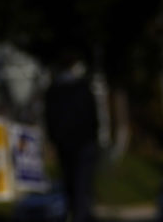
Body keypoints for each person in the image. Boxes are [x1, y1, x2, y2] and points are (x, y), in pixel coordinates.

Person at [44, 51, 99, 222]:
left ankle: (76, 214)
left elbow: (49, 118)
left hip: (67, 143)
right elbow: (92, 117)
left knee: (72, 185)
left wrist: (54, 138)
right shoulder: (81, 88)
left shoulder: (54, 91)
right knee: (81, 186)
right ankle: (80, 215)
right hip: (82, 144)